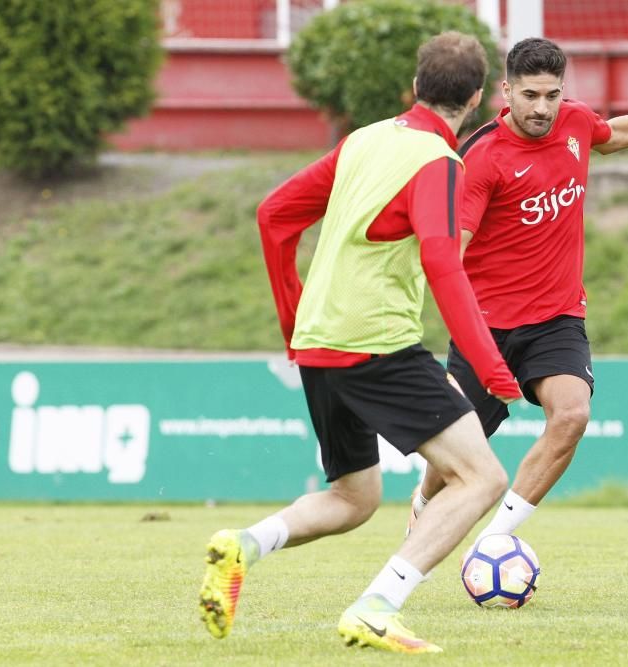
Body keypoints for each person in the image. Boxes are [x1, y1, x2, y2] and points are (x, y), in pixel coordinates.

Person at [197, 31, 521, 655]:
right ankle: (376, 607)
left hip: (321, 345)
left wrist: (294, 322)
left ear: (415, 87)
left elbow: (274, 214)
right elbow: (441, 262)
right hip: (377, 345)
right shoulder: (439, 160)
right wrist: (490, 366)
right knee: (480, 478)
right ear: (478, 99)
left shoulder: (364, 139)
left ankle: (244, 545)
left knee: (355, 497)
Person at [409, 37, 628, 540]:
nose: (543, 107)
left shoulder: (574, 121)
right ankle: (423, 504)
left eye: (552, 94)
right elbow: (449, 256)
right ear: (506, 90)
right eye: (530, 95)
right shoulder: (482, 158)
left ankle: (495, 542)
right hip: (487, 327)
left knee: (571, 414)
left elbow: (614, 134)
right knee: (459, 451)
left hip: (556, 318)